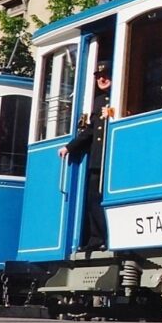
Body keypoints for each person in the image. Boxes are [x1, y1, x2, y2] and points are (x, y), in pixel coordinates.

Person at [58, 60, 111, 252]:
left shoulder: (118, 97)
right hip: (97, 159)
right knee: (92, 198)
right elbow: (89, 131)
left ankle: (108, 237)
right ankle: (95, 239)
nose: (102, 79)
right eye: (99, 77)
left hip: (110, 158)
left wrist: (113, 113)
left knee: (103, 198)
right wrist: (70, 147)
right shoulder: (97, 102)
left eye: (106, 75)